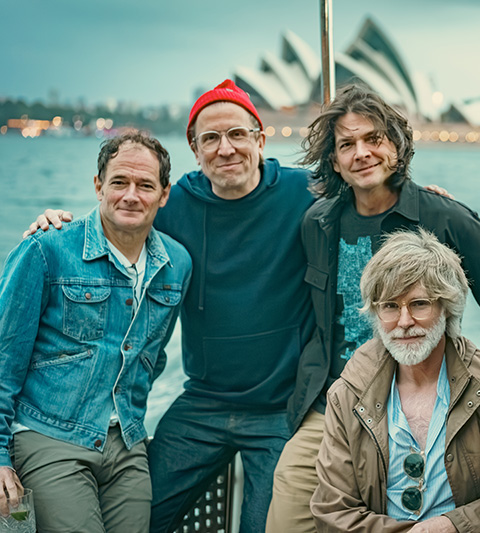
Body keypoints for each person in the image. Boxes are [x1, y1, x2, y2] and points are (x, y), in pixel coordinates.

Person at [23, 80, 316, 533]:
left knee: (268, 525)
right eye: (210, 139)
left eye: (238, 134)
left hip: (280, 410)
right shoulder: (173, 200)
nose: (226, 149)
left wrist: (430, 201)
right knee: (145, 514)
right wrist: (54, 222)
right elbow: (119, 209)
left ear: (260, 139)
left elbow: (375, 193)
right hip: (203, 402)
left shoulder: (306, 193)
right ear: (194, 150)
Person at [267, 84, 480, 532]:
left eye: (373, 139)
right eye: (346, 144)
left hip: (432, 410)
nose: (361, 153)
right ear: (334, 161)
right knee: (288, 518)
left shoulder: (445, 218)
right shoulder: (318, 222)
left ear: (397, 146)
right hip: (332, 408)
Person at [0, 131, 191, 532]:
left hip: (127, 442)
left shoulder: (177, 264)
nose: (130, 195)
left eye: (145, 185)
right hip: (50, 435)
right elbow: (4, 358)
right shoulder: (46, 249)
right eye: (119, 182)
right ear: (98, 185)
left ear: (164, 195)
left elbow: (151, 358)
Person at [310, 228, 480, 532]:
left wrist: (454, 526)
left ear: (447, 307)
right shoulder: (347, 393)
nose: (404, 322)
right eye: (389, 306)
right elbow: (333, 511)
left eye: (419, 304)